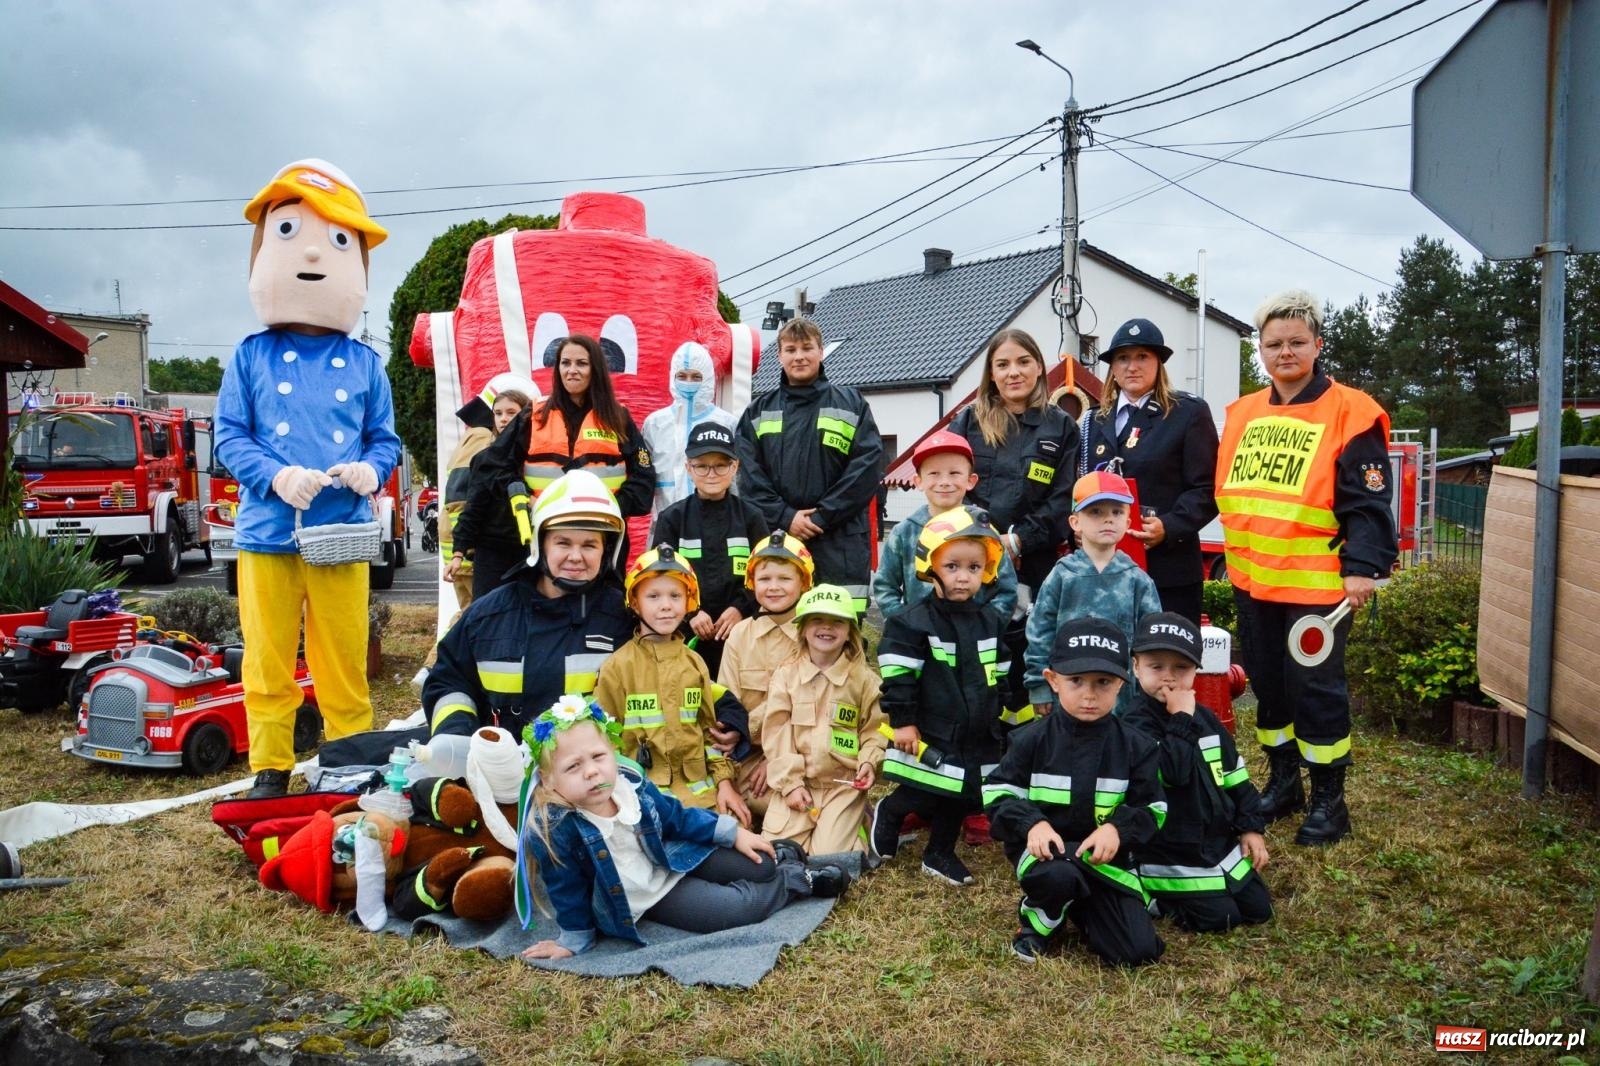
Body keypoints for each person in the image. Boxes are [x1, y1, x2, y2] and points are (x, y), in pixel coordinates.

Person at [215, 158, 401, 800]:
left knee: (343, 660)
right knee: (267, 659)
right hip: (266, 532)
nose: (316, 256)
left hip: (340, 534)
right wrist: (276, 475)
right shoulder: (249, 355)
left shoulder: (366, 363)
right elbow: (229, 437)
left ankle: (349, 759)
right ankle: (269, 767)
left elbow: (387, 440)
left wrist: (368, 471)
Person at [1216, 289, 1397, 847]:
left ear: (1317, 345)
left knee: (1316, 692)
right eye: (1274, 344)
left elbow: (1367, 503)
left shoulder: (1351, 410)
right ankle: (1284, 784)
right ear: (1261, 352)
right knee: (1269, 691)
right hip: (1254, 582)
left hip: (1320, 589)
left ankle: (1329, 802)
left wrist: (1364, 565)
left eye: (1297, 342)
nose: (1285, 352)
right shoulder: (1243, 413)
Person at [516, 697, 848, 959]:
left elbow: (678, 817)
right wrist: (574, 939)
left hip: (672, 855)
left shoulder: (630, 786)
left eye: (598, 757)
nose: (592, 772)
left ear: (613, 754)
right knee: (732, 909)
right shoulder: (554, 827)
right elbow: (566, 887)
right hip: (650, 893)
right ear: (548, 779)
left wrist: (734, 833)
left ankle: (779, 856)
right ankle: (796, 880)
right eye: (573, 766)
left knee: (758, 866)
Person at [983, 617, 1165, 966]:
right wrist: (1032, 823)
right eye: (1076, 680)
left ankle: (1081, 902)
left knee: (1137, 952)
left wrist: (1117, 829)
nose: (1089, 693)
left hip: (1105, 865)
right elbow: (997, 793)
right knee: (1059, 877)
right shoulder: (1029, 739)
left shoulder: (1137, 746)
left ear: (1121, 685)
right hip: (1046, 858)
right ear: (1052, 680)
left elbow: (1153, 808)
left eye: (1103, 682)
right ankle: (1039, 920)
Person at [423, 470, 634, 742]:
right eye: (563, 542)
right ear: (539, 544)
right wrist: (456, 736)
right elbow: (448, 682)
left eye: (589, 545)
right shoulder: (488, 616)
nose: (575, 556)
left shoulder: (626, 618)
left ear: (607, 550)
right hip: (502, 773)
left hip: (593, 775)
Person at [871, 505, 1013, 886]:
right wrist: (903, 721)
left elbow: (1000, 673)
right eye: (952, 566)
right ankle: (891, 810)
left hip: (978, 730)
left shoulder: (990, 621)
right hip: (933, 726)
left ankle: (939, 854)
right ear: (930, 565)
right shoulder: (911, 622)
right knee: (928, 788)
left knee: (964, 793)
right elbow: (898, 676)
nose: (964, 577)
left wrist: (1003, 716)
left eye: (973, 567)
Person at [455, 333, 654, 596]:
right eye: (565, 363)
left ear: (595, 369)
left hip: (602, 540)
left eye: (581, 363)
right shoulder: (533, 416)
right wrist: (521, 496)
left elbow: (643, 481)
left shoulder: (618, 419)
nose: (572, 370)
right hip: (543, 537)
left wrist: (609, 507)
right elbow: (489, 467)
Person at [1122, 612, 1273, 933]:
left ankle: (1212, 883)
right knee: (1221, 919)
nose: (1169, 678)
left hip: (1215, 842)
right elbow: (1173, 774)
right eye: (1156, 666)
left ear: (1196, 670)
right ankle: (1154, 897)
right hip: (1169, 849)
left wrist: (1250, 828)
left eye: (1181, 667)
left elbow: (1236, 778)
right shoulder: (1134, 725)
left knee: (1260, 909)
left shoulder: (1205, 718)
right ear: (1136, 667)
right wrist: (1180, 719)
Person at [594, 544, 754, 825]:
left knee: (750, 857)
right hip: (642, 800)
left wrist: (725, 784)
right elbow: (604, 741)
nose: (666, 605)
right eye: (653, 596)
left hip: (703, 798)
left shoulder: (695, 663)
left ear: (689, 603)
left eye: (676, 596)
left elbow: (709, 734)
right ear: (635, 602)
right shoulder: (617, 668)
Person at [735, 318, 883, 616]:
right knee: (780, 636)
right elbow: (748, 476)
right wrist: (786, 517)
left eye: (807, 348)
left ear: (820, 352)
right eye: (790, 349)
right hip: (779, 538)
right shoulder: (758, 411)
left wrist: (823, 516)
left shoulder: (851, 403)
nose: (799, 356)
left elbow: (866, 468)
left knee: (838, 634)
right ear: (779, 355)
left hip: (839, 542)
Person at [1078, 319, 1220, 627]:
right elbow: (1081, 487)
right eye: (1123, 358)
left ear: (1159, 363)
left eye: (1143, 356)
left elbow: (1208, 489)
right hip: (1105, 569)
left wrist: (1168, 526)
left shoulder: (1187, 413)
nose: (1132, 366)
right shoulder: (1093, 421)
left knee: (1165, 667)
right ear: (1112, 368)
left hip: (1167, 571)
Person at [948, 328, 1078, 594]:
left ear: (1039, 367)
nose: (1014, 372)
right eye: (1003, 365)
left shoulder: (1062, 426)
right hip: (970, 558)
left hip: (1037, 564)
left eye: (1024, 361)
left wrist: (1019, 541)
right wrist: (986, 539)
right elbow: (949, 485)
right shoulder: (967, 422)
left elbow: (1065, 498)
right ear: (992, 374)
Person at [761, 584, 886, 856]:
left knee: (826, 858)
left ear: (850, 632)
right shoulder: (785, 676)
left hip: (842, 786)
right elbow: (776, 734)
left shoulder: (864, 681)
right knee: (779, 854)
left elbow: (875, 731)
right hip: (798, 785)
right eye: (817, 619)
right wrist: (790, 786)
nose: (826, 628)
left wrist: (868, 761)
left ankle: (859, 825)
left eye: (837, 622)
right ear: (803, 628)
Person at [1025, 471, 1161, 718]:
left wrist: (1151, 692)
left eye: (1117, 512)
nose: (1108, 520)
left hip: (1123, 701)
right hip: (1068, 694)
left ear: (1129, 522)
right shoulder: (1062, 576)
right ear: (1075, 522)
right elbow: (1039, 633)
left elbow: (1151, 642)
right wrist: (1039, 686)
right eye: (1096, 512)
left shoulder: (1137, 580)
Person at [650, 422, 770, 678]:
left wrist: (741, 608)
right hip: (684, 636)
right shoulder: (672, 519)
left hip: (742, 635)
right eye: (702, 466)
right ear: (688, 469)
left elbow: (765, 573)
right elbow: (659, 579)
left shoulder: (751, 518)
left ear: (735, 467)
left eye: (721, 465)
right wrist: (690, 612)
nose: (711, 473)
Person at [872, 430, 1018, 624]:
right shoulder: (904, 533)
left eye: (954, 473)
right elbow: (885, 586)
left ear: (970, 480)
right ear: (919, 481)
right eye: (934, 473)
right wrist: (905, 624)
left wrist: (986, 625)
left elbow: (1007, 590)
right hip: (920, 642)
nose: (944, 482)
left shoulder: (985, 533)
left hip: (973, 641)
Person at [717, 531, 813, 820]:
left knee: (803, 809)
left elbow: (817, 710)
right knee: (727, 806)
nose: (774, 587)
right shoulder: (740, 634)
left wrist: (777, 759)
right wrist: (731, 731)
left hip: (801, 752)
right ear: (751, 583)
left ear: (804, 583)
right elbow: (727, 700)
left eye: (785, 579)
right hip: (748, 753)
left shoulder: (815, 635)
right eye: (764, 579)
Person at [441, 375, 538, 606]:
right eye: (498, 413)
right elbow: (472, 507)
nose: (504, 419)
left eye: (511, 413)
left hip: (532, 551)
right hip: (491, 553)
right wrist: (459, 553)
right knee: (483, 618)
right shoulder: (484, 454)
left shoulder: (539, 460)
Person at [642, 341, 737, 520]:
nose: (688, 383)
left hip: (717, 520)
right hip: (666, 522)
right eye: (682, 376)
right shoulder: (655, 424)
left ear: (708, 378)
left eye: (696, 377)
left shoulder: (726, 423)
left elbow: (737, 478)